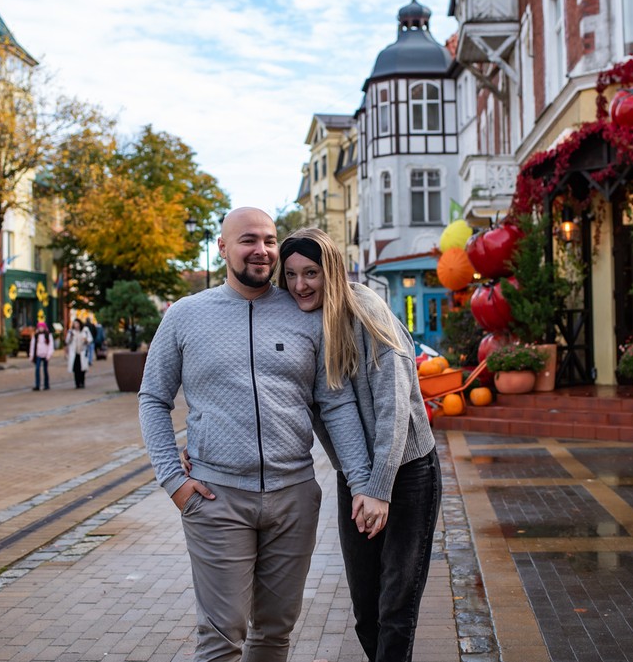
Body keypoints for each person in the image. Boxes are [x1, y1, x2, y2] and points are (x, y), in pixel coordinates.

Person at [138, 207, 385, 662]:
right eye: (249, 240)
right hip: (216, 499)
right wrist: (174, 481)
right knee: (221, 636)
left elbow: (335, 402)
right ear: (223, 247)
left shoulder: (305, 315)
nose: (262, 250)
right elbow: (153, 398)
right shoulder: (185, 316)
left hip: (294, 498)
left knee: (274, 633)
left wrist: (365, 481)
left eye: (270, 240)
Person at [279, 228, 442, 662]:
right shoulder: (304, 324)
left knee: (396, 605)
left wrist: (380, 487)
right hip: (355, 477)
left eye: (311, 272)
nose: (300, 285)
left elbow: (394, 409)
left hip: (406, 472)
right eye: (291, 274)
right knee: (365, 608)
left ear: (330, 270)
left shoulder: (366, 310)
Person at [65, 319, 92, 389]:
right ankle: (77, 383)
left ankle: (82, 382)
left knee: (82, 369)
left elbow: (90, 339)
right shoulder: (71, 331)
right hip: (74, 352)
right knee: (76, 369)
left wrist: (86, 340)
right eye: (74, 324)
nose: (76, 325)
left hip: (82, 352)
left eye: (77, 323)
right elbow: (67, 341)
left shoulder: (85, 330)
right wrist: (70, 337)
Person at [29, 321, 55, 390]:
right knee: (37, 369)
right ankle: (37, 385)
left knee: (45, 370)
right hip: (38, 354)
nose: (40, 328)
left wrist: (49, 355)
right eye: (39, 327)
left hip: (45, 355)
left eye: (42, 327)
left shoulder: (48, 335)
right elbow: (32, 346)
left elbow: (51, 345)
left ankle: (46, 385)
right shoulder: (36, 335)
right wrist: (31, 355)